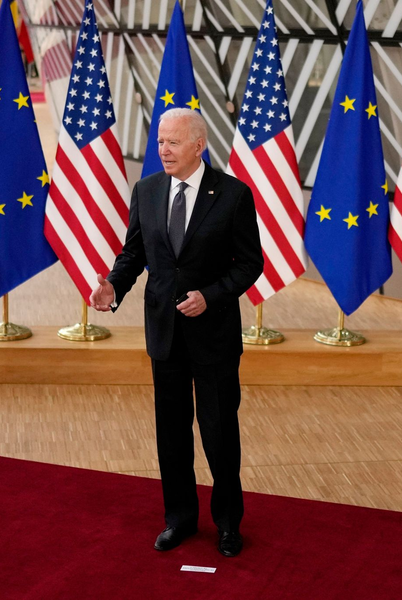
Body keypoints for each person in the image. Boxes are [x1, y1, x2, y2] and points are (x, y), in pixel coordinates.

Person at [90, 108, 263, 557]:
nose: (163, 150)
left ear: (198, 145)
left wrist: (211, 295)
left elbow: (250, 264)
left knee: (219, 433)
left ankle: (228, 524)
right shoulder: (146, 190)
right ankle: (180, 519)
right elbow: (134, 254)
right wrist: (114, 286)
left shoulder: (233, 195)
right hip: (164, 333)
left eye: (172, 142)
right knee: (171, 434)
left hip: (213, 336)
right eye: (160, 142)